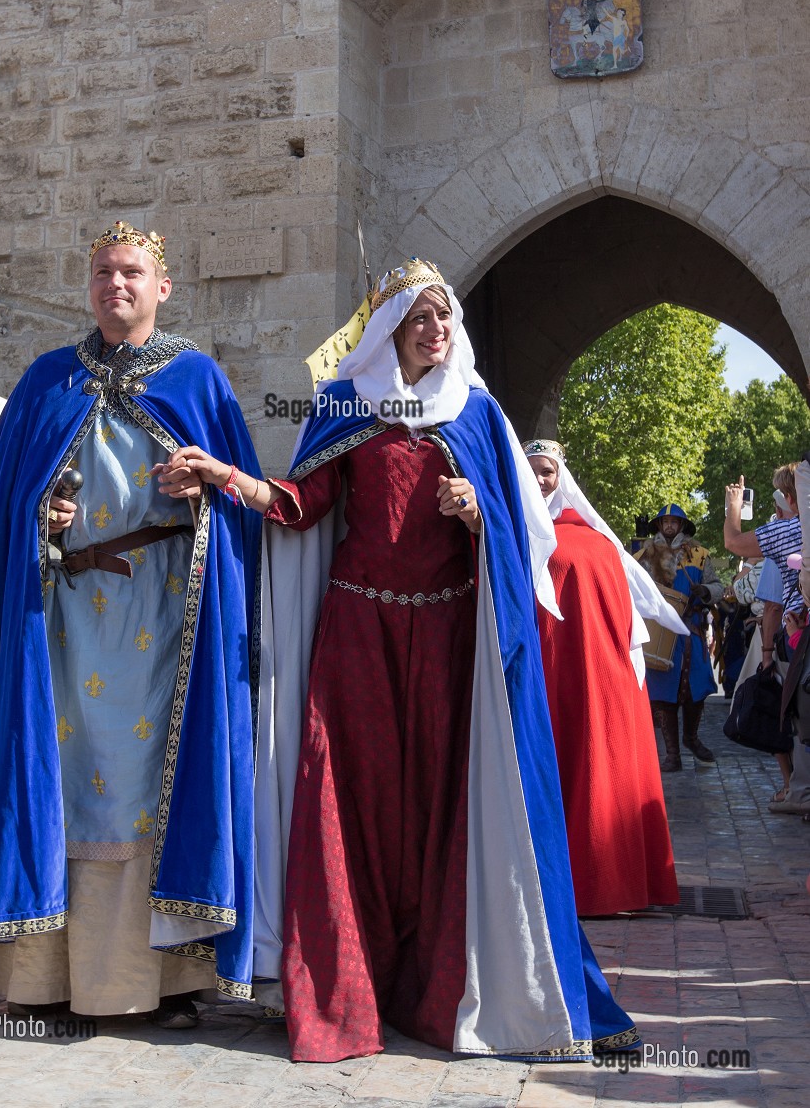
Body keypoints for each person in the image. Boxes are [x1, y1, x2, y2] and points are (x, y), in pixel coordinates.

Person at [158, 259, 639, 1063]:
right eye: (419, 316)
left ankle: (437, 991)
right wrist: (224, 476)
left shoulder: (477, 415)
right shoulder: (346, 404)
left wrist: (478, 511)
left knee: (442, 808)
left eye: (444, 315)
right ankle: (345, 993)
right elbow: (301, 504)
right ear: (389, 329)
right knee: (346, 801)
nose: (434, 328)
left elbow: (527, 534)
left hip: (448, 639)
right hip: (356, 635)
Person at [0, 221, 262, 1025]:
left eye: (131, 273)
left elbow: (242, 509)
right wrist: (42, 515)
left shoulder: (197, 380)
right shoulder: (47, 381)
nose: (116, 285)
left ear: (161, 287)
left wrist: (204, 492)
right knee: (59, 781)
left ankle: (161, 983)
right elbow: (2, 506)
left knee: (147, 784)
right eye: (103, 272)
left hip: (164, 621)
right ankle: (48, 981)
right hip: (58, 622)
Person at [523, 440, 680, 916]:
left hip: (594, 674)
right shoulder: (508, 528)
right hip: (541, 671)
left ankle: (600, 884)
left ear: (562, 477)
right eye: (531, 471)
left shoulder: (593, 541)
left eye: (547, 471)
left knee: (593, 769)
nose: (539, 480)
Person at [726, 466, 807, 814]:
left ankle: (798, 790)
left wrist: (733, 506)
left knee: (798, 716)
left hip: (798, 635)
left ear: (788, 498)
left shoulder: (786, 531)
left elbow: (733, 542)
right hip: (796, 631)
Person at [633, 504, 723, 770]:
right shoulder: (644, 555)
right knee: (662, 693)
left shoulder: (700, 555)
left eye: (674, 522)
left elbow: (718, 587)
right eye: (666, 522)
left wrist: (705, 591)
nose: (670, 526)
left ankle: (691, 738)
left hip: (690, 631)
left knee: (697, 688)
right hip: (659, 632)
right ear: (660, 525)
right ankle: (672, 755)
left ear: (682, 525)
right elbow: (631, 585)